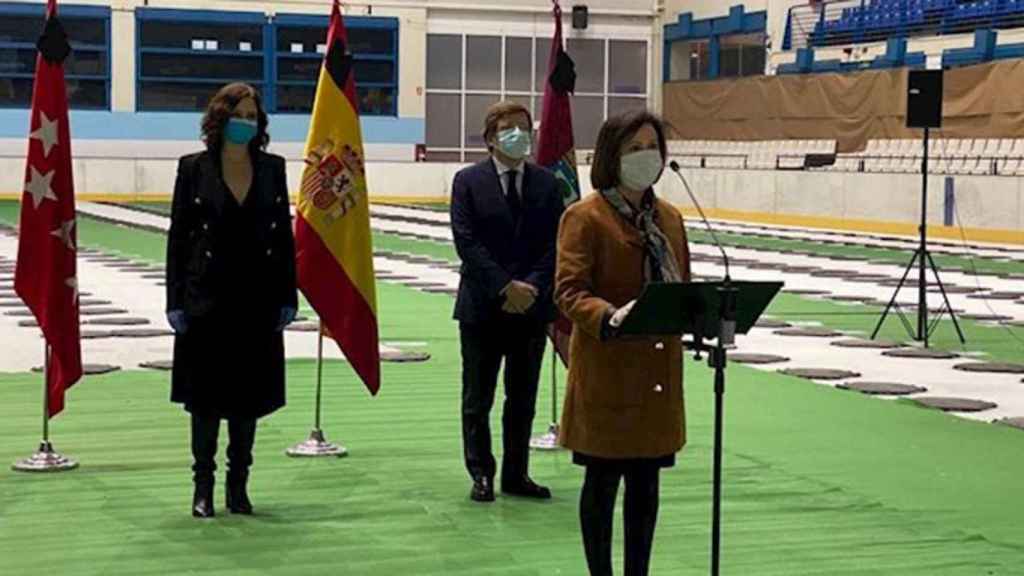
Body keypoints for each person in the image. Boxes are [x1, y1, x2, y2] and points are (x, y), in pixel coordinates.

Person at [555, 110, 692, 576]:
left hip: (656, 376)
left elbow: (682, 288)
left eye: (651, 147)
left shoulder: (670, 219)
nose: (645, 157)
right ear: (612, 156)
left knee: (646, 483)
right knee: (602, 481)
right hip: (608, 372)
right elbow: (569, 291)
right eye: (634, 149)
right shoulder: (584, 217)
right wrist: (609, 315)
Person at [165, 83, 298, 519]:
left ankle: (238, 486)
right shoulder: (192, 168)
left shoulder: (273, 168)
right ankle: (202, 486)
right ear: (220, 118)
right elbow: (178, 239)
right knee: (204, 400)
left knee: (248, 399)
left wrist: (287, 295)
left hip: (257, 302)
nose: (246, 121)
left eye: (253, 115)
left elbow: (283, 236)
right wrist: (176, 300)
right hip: (205, 301)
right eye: (238, 113)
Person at [450, 101, 565, 503]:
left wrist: (530, 286)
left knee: (522, 397)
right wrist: (505, 286)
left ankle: (517, 474)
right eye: (509, 128)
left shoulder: (548, 184)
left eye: (524, 127)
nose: (519, 134)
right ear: (490, 138)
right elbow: (467, 242)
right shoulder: (467, 181)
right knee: (477, 397)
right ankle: (481, 471)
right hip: (483, 305)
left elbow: (556, 244)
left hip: (531, 308)